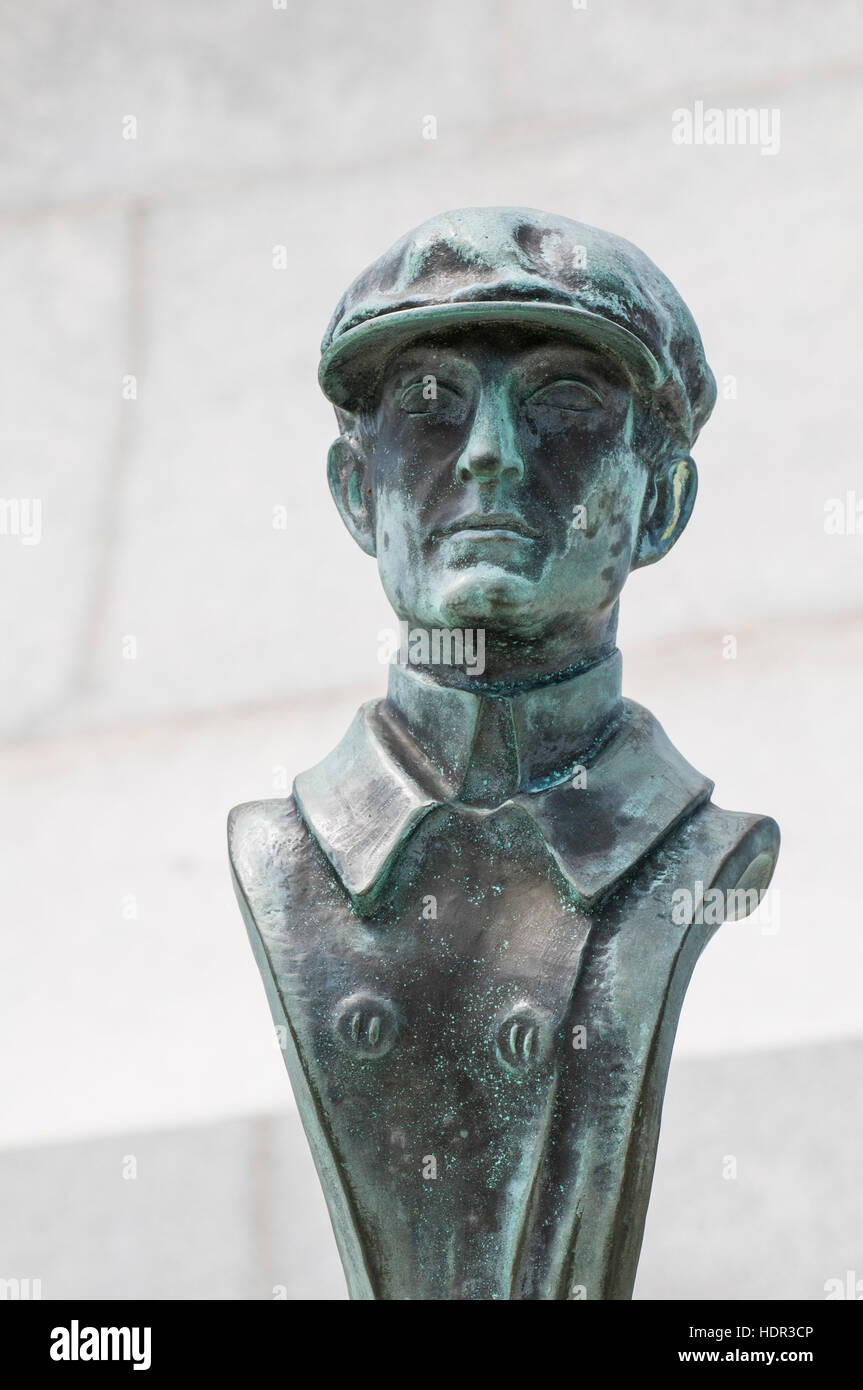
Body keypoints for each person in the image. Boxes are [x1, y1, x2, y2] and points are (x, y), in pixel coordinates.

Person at [229, 208, 779, 1300]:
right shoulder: (283, 856)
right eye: (429, 406)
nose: (487, 455)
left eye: (562, 406)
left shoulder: (691, 859)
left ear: (658, 504)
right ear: (355, 496)